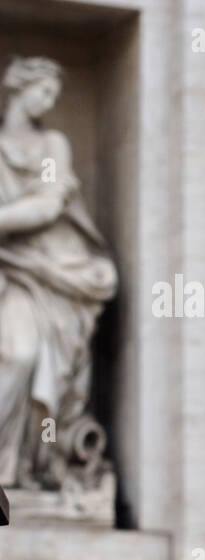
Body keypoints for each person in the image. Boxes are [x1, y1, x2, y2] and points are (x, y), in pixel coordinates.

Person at [0, 56, 116, 490]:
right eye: (43, 91)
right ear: (18, 87)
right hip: (9, 268)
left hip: (48, 269)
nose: (47, 101)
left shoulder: (52, 144)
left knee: (22, 355)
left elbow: (49, 204)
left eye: (54, 95)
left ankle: (22, 466)